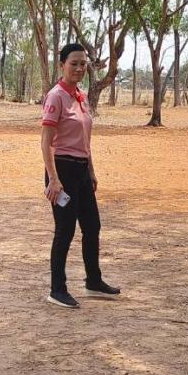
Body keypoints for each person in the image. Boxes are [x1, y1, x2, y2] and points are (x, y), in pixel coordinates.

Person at [41, 43, 120, 308]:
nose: (79, 68)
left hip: (82, 169)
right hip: (62, 169)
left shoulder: (81, 97)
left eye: (83, 64)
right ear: (62, 65)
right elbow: (46, 141)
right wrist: (53, 178)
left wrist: (91, 170)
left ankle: (93, 281)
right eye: (74, 63)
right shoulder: (56, 97)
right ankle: (57, 289)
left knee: (92, 226)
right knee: (65, 230)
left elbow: (86, 138)